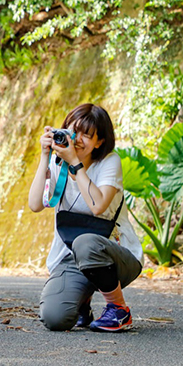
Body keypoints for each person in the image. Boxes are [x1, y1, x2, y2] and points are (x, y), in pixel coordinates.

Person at [28, 103, 143, 332]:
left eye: (87, 136)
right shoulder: (57, 162)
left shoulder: (109, 162)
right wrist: (45, 157)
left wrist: (75, 164)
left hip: (115, 254)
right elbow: (34, 204)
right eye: (74, 132)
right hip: (71, 258)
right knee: (55, 318)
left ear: (99, 142)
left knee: (85, 242)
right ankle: (82, 302)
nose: (78, 140)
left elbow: (97, 206)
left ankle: (119, 310)